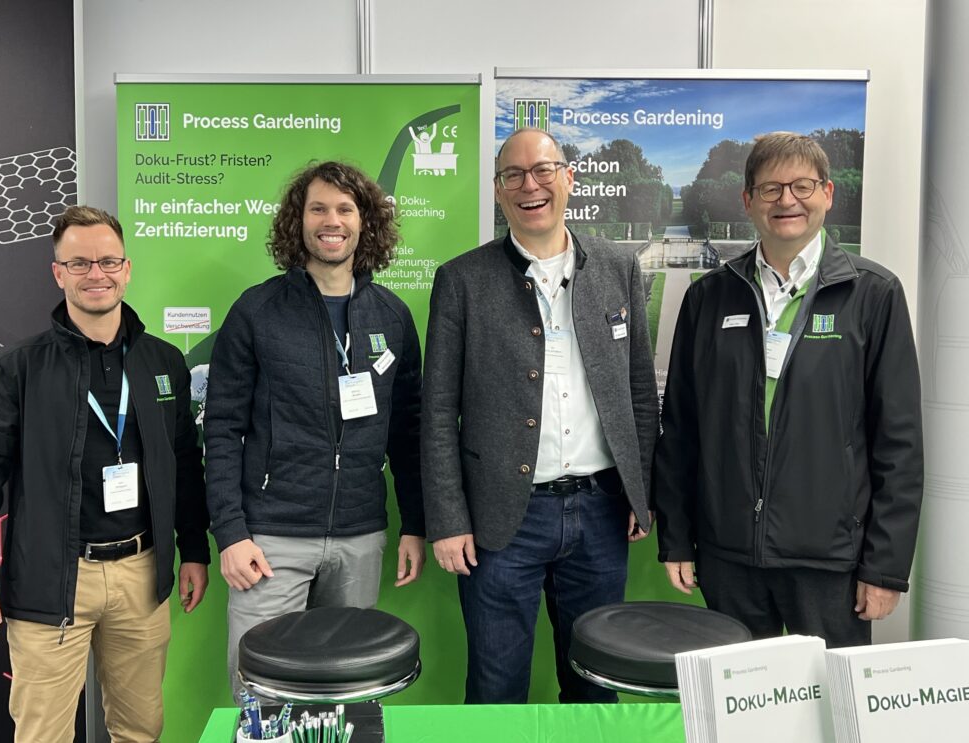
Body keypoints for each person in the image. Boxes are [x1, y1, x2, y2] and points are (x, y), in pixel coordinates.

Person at [654, 131, 924, 647]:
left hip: (830, 563)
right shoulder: (710, 297)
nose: (787, 201)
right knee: (739, 714)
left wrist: (886, 567)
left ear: (827, 193)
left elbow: (900, 442)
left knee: (828, 717)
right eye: (771, 188)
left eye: (802, 185)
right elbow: (682, 428)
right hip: (728, 557)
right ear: (748, 200)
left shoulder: (873, 294)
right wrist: (677, 538)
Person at [0, 205, 210, 742]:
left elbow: (185, 461)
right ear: (58, 273)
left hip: (142, 573)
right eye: (80, 263)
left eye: (108, 261)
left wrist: (193, 550)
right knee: (43, 733)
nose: (97, 273)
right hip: (52, 579)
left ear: (127, 268)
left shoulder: (163, 361)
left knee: (140, 730)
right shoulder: (21, 366)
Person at [422, 128, 659, 703]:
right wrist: (449, 518)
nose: (530, 185)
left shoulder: (618, 269)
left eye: (543, 170)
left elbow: (638, 394)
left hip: (602, 511)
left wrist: (639, 491)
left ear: (568, 178)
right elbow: (436, 412)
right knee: (497, 686)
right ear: (499, 193)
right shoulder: (462, 280)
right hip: (502, 520)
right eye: (513, 176)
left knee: (594, 684)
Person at [204, 161, 424, 692]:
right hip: (271, 541)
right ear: (297, 222)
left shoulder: (392, 317)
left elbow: (410, 432)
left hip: (360, 537)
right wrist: (230, 533)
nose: (333, 220)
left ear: (365, 222)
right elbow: (221, 429)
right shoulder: (256, 311)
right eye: (318, 208)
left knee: (346, 696)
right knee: (261, 697)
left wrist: (415, 523)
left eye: (345, 209)